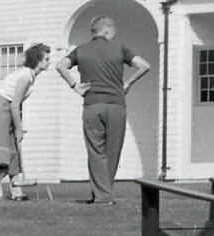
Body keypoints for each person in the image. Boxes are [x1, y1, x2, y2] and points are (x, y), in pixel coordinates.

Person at [58, 17, 152, 205]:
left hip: (92, 105)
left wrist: (74, 85)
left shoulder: (81, 50)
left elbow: (60, 65)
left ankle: (101, 194)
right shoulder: (119, 48)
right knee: (112, 152)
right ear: (108, 30)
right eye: (114, 31)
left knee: (95, 151)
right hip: (116, 105)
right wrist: (128, 83)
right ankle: (104, 195)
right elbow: (145, 65)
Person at [0, 42, 51, 204]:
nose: (49, 62)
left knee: (12, 151)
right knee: (3, 151)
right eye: (46, 59)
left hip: (4, 108)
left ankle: (16, 191)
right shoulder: (25, 77)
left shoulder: (29, 76)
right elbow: (15, 104)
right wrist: (19, 128)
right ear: (37, 61)